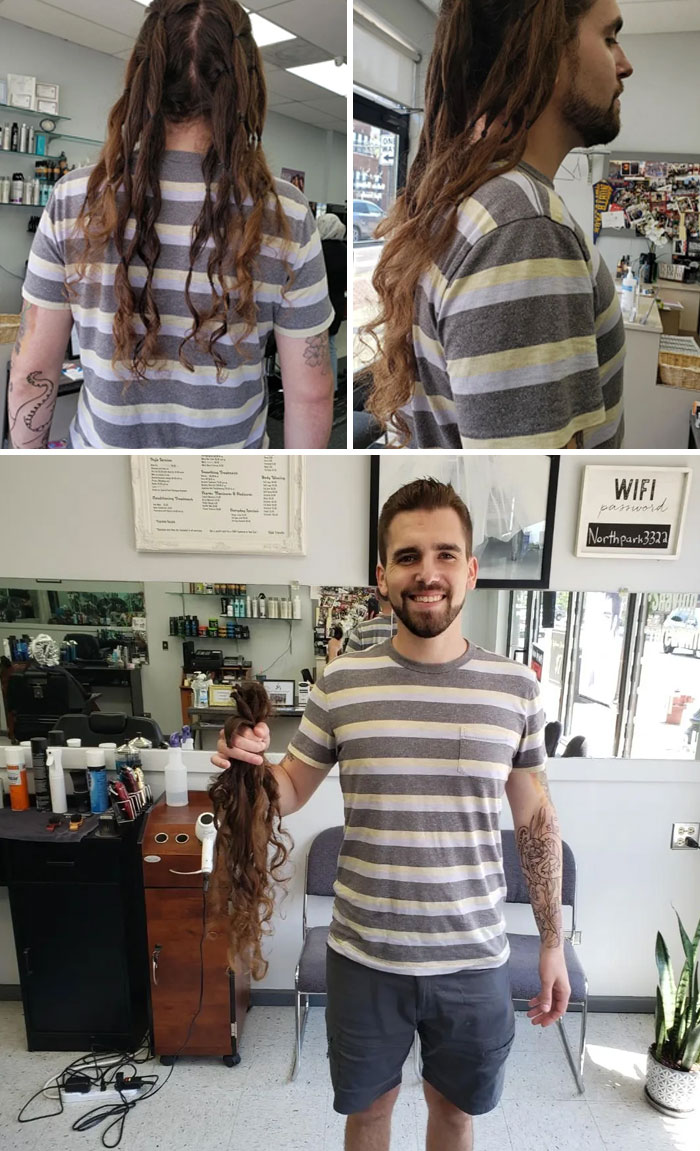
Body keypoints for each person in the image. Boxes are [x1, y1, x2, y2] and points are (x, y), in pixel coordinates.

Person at [212, 478, 570, 1151]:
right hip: (364, 957)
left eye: (444, 555)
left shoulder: (516, 687)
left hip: (472, 959)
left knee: (455, 1114)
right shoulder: (342, 680)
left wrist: (551, 941)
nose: (426, 573)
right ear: (382, 575)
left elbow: (536, 822)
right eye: (407, 557)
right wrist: (248, 769)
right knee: (369, 1115)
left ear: (471, 569)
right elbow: (288, 789)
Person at [9, 0, 334, 450]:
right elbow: (312, 393)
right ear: (245, 82)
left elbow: (33, 373)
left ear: (144, 77)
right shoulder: (287, 213)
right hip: (233, 490)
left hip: (98, 479)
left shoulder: (75, 199)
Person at [364, 0, 633, 450]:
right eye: (608, 38)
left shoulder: (471, 199)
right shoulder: (522, 227)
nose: (625, 65)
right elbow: (520, 495)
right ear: (545, 50)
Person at [316, 212, 347, 392]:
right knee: (332, 345)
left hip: (319, 304)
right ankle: (333, 388)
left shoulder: (318, 252)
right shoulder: (344, 251)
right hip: (337, 302)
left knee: (315, 349)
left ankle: (316, 386)